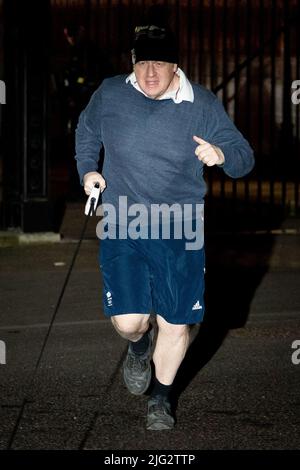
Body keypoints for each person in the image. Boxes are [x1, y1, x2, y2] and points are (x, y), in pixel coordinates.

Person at [75, 25, 254, 430]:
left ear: (176, 66)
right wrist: (89, 171)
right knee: (129, 321)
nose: (150, 72)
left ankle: (160, 398)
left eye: (160, 63)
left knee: (176, 322)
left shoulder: (202, 104)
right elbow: (86, 131)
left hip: (181, 225)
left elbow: (244, 158)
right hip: (122, 218)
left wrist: (221, 153)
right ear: (132, 63)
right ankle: (138, 346)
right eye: (142, 63)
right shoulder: (110, 93)